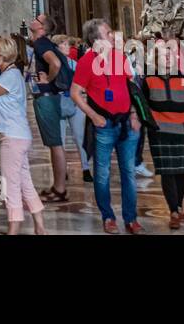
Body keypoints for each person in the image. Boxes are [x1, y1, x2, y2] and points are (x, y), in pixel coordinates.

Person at [71, 18, 143, 234]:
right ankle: (108, 216)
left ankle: (131, 218)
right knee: (102, 174)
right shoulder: (86, 62)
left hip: (126, 124)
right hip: (103, 125)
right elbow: (75, 93)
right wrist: (93, 116)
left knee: (128, 172)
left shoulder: (119, 57)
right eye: (109, 32)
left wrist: (134, 115)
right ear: (96, 38)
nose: (113, 35)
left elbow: (130, 89)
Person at [0, 35, 45, 235]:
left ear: (1, 56)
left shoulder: (9, 76)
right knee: (25, 182)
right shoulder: (11, 73)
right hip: (17, 135)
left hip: (12, 138)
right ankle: (39, 225)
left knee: (10, 185)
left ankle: (13, 229)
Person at [141, 37, 184, 230]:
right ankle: (173, 211)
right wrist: (147, 125)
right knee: (167, 172)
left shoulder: (182, 77)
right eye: (163, 57)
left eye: (170, 56)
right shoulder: (149, 79)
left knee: (180, 171)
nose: (167, 59)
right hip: (160, 132)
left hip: (182, 129)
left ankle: (179, 205)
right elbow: (143, 105)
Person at [28, 14, 71, 200]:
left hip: (47, 98)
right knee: (55, 144)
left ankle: (60, 189)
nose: (33, 20)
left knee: (55, 144)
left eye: (37, 19)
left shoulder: (41, 43)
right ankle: (58, 185)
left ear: (42, 28)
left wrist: (48, 80)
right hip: (51, 97)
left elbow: (55, 63)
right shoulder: (43, 43)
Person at [51, 34, 91, 180]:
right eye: (65, 44)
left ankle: (86, 169)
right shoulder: (52, 64)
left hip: (75, 101)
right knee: (59, 139)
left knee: (80, 136)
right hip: (58, 102)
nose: (69, 47)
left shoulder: (75, 64)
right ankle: (63, 170)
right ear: (57, 47)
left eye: (68, 44)